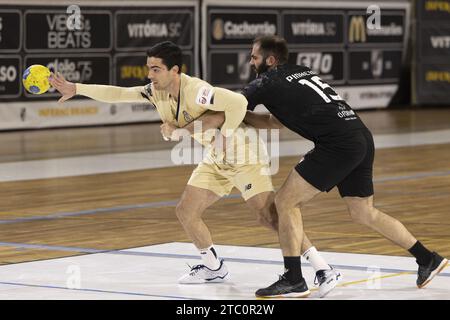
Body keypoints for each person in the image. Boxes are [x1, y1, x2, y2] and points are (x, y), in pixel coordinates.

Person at [49, 41, 340, 297]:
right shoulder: (156, 92)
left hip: (244, 154)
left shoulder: (197, 91)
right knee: (186, 211)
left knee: (269, 217)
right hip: (216, 158)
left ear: (175, 70)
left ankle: (322, 269)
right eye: (149, 69)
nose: (150, 75)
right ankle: (214, 267)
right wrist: (77, 89)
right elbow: (120, 94)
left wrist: (224, 134)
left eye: (156, 69)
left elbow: (237, 102)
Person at [242, 35, 448, 298]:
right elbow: (275, 122)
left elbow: (231, 108)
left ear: (270, 60)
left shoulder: (267, 81)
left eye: (254, 57)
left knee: (284, 202)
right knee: (364, 212)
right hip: (360, 135)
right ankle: (427, 259)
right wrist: (247, 118)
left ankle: (294, 278)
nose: (251, 62)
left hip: (337, 145)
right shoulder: (300, 72)